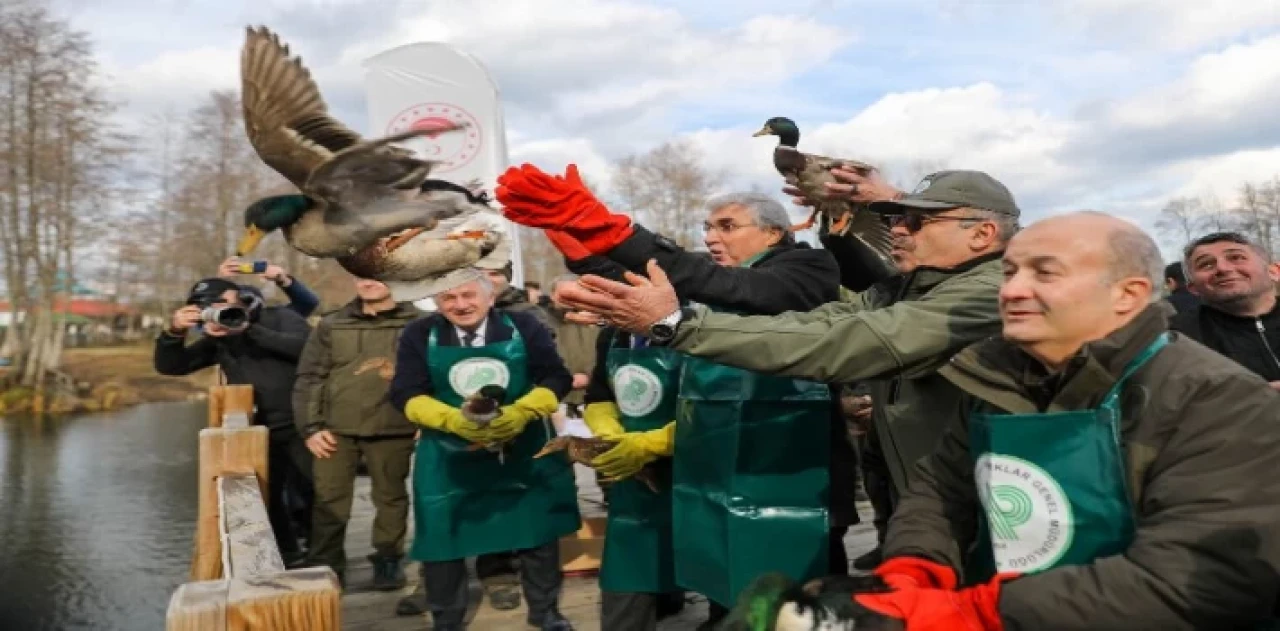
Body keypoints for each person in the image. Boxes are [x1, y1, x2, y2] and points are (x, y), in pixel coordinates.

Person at [795, 211, 1280, 630]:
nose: (1012, 291)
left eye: (1044, 274)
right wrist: (913, 569)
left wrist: (974, 614)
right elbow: (941, 490)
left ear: (1127, 295)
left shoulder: (1218, 398)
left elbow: (1201, 574)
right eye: (1009, 273)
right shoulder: (995, 381)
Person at [548, 169, 1015, 565]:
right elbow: (816, 323)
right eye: (895, 218)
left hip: (988, 511)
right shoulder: (906, 287)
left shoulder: (987, 291)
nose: (897, 229)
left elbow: (845, 342)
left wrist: (674, 323)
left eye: (916, 220)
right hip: (922, 504)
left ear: (982, 234)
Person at [497, 166, 840, 628]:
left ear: (774, 232)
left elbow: (735, 289)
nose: (712, 237)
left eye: (727, 226)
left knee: (789, 596)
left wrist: (617, 232)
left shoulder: (807, 268)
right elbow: (665, 278)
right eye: (707, 227)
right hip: (712, 463)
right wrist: (588, 251)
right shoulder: (716, 278)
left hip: (791, 471)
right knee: (725, 575)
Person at [389, 270, 579, 631]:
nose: (460, 305)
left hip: (521, 449)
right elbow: (404, 392)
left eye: (468, 295)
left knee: (536, 531)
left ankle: (546, 611)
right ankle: (446, 619)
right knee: (442, 537)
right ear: (438, 302)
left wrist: (523, 411)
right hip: (449, 454)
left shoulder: (524, 326)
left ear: (490, 297)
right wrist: (450, 419)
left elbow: (557, 377)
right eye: (449, 298)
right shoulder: (419, 334)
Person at [154, 277, 315, 566]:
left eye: (222, 302)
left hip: (305, 423)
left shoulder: (280, 317)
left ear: (241, 298)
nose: (218, 310)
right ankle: (288, 553)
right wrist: (174, 333)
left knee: (315, 490)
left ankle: (322, 552)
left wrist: (248, 330)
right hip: (258, 427)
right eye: (208, 307)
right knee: (269, 494)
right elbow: (172, 366)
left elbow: (307, 349)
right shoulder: (220, 340)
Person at [291, 277, 420, 590]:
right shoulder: (332, 324)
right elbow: (310, 377)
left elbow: (431, 374)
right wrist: (311, 428)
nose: (368, 283)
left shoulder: (418, 323)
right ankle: (327, 565)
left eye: (378, 276)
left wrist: (424, 420)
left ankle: (388, 558)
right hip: (335, 430)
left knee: (391, 497)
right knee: (328, 499)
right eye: (362, 276)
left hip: (395, 426)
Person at [1171, 231, 1280, 385]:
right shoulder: (1177, 338)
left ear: (1274, 272)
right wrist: (1256, 398)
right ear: (1193, 288)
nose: (1222, 268)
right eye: (1206, 264)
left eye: (1236, 257)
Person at [547, 274, 600, 419]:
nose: (570, 299)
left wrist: (590, 377)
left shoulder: (598, 322)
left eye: (576, 293)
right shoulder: (542, 321)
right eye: (565, 294)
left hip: (593, 401)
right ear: (553, 295)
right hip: (555, 403)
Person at [218, 257, 321, 319]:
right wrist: (220, 284)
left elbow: (308, 303)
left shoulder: (270, 322)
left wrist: (283, 280)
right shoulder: (216, 322)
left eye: (247, 302)